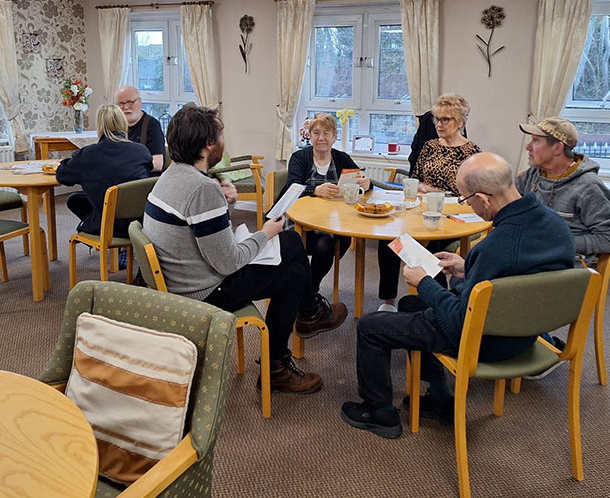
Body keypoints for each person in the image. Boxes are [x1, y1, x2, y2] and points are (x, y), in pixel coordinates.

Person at [340, 153, 575, 439]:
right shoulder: (555, 224)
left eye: (466, 200)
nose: (468, 206)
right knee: (410, 304)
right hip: (526, 331)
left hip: (484, 339)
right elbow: (521, 275)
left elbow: (459, 321)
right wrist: (468, 267)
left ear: (484, 198)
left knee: (371, 326)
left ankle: (378, 412)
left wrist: (425, 281)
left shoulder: (496, 246)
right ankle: (439, 397)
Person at [142, 105, 347, 393]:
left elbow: (199, 230)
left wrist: (225, 206)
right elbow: (228, 263)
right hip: (201, 291)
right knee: (294, 273)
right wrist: (264, 233)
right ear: (209, 143)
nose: (225, 140)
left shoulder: (175, 175)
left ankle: (310, 311)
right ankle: (280, 360)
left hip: (183, 275)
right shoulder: (202, 189)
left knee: (289, 242)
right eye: (221, 133)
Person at [376, 94, 482, 311]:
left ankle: (436, 303)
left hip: (452, 217)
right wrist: (421, 188)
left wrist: (432, 190)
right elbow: (416, 179)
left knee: (430, 244)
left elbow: (468, 194)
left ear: (460, 122)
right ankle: (388, 302)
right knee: (387, 240)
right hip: (421, 211)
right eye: (436, 119)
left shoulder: (472, 153)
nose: (439, 124)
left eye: (446, 120)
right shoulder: (430, 146)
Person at [285, 113, 372, 300]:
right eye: (316, 133)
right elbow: (293, 187)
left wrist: (367, 183)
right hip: (300, 223)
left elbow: (361, 181)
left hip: (333, 223)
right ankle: (307, 295)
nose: (321, 138)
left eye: (326, 133)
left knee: (327, 245)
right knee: (310, 245)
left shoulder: (342, 158)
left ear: (334, 137)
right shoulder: (300, 157)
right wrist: (315, 190)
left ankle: (308, 290)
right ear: (310, 135)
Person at [516, 118, 610, 261]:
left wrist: (554, 241)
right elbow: (509, 197)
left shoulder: (588, 186)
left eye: (536, 141)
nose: (528, 146)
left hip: (564, 264)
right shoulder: (534, 174)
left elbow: (609, 239)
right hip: (532, 252)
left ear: (557, 148)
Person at [56, 104, 153, 237]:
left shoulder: (88, 154)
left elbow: (62, 176)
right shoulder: (142, 151)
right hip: (138, 222)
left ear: (100, 126)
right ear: (123, 123)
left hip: (108, 223)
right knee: (77, 198)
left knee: (75, 199)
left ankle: (104, 235)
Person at [116, 85, 165, 174]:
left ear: (139, 101)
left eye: (130, 102)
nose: (126, 107)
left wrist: (130, 169)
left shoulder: (152, 125)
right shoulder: (115, 125)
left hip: (142, 180)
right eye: (121, 104)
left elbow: (158, 164)